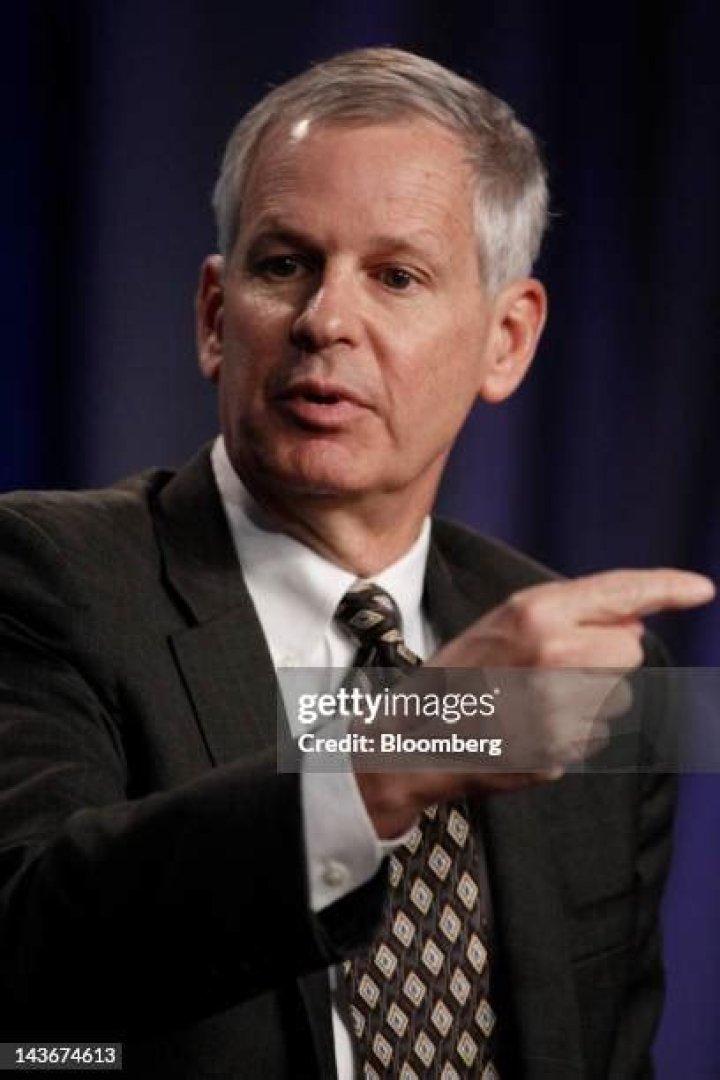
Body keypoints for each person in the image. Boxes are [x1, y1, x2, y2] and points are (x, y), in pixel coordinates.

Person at [0, 47, 713, 1080]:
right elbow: (26, 962)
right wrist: (402, 746)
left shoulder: (591, 675)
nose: (326, 321)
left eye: (396, 276)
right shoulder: (43, 575)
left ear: (507, 340)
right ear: (214, 316)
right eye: (284, 265)